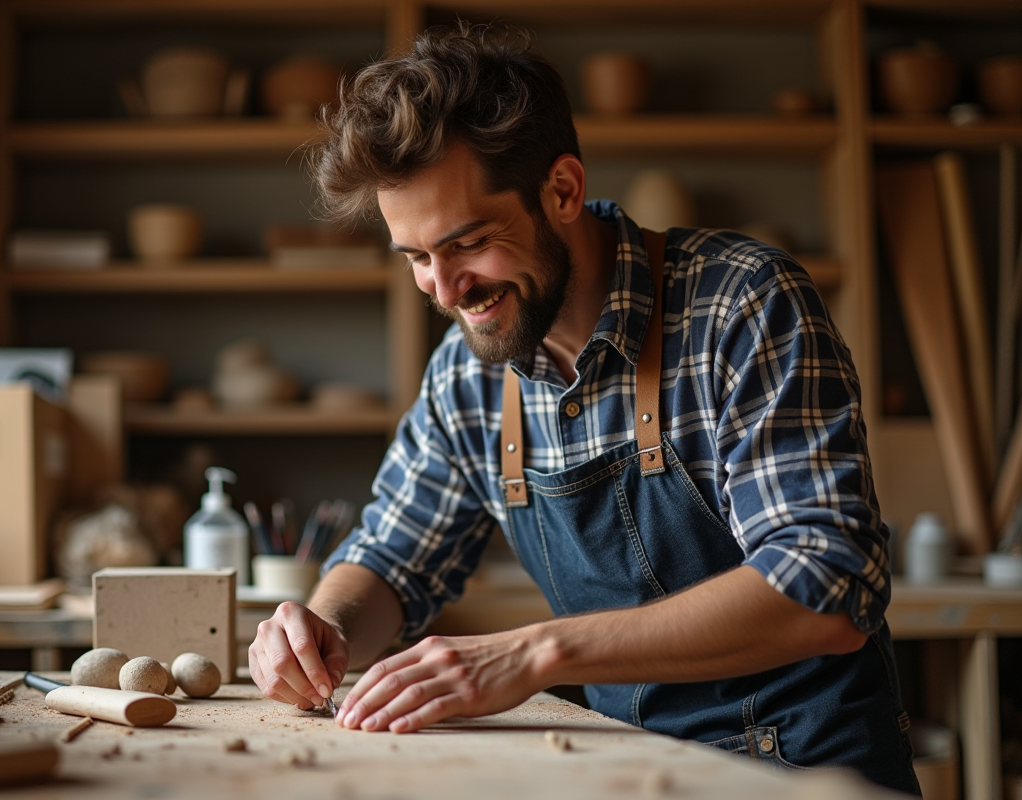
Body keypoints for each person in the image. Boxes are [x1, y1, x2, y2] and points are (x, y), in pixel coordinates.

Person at [248, 23, 919, 795]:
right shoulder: (467, 376)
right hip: (630, 771)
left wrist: (536, 654)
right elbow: (390, 561)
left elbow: (826, 586)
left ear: (562, 190)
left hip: (806, 769)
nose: (443, 288)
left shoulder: (742, 303)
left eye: (468, 244)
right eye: (417, 258)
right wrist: (323, 626)